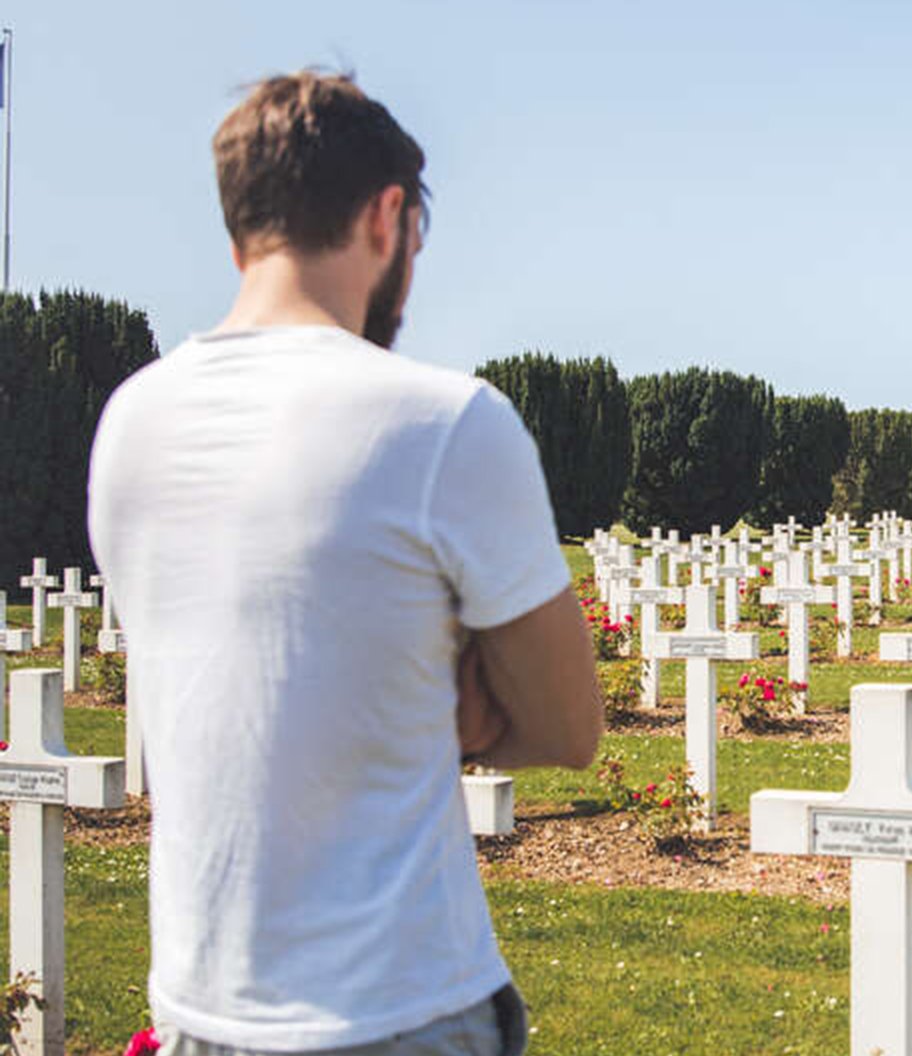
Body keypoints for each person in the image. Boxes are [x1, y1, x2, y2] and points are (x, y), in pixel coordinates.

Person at [87, 71, 603, 1056]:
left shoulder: (128, 426)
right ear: (387, 218)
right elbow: (569, 727)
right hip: (403, 1007)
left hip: (197, 1009)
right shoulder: (449, 425)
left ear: (239, 232)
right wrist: (436, 710)